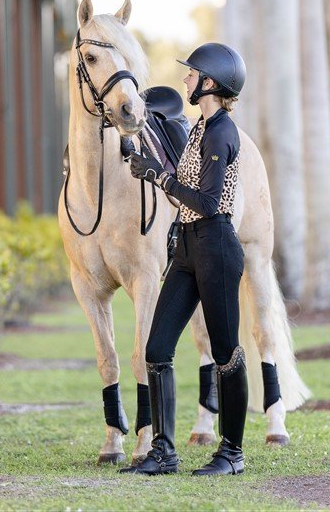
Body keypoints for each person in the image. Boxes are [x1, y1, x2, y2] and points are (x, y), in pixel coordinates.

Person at [120, 43, 248, 476]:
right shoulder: (199, 127)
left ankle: (232, 453)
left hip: (216, 248)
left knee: (226, 351)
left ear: (210, 82)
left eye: (192, 74)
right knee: (157, 349)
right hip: (190, 247)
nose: (186, 79)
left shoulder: (221, 132)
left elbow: (210, 202)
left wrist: (160, 177)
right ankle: (163, 451)